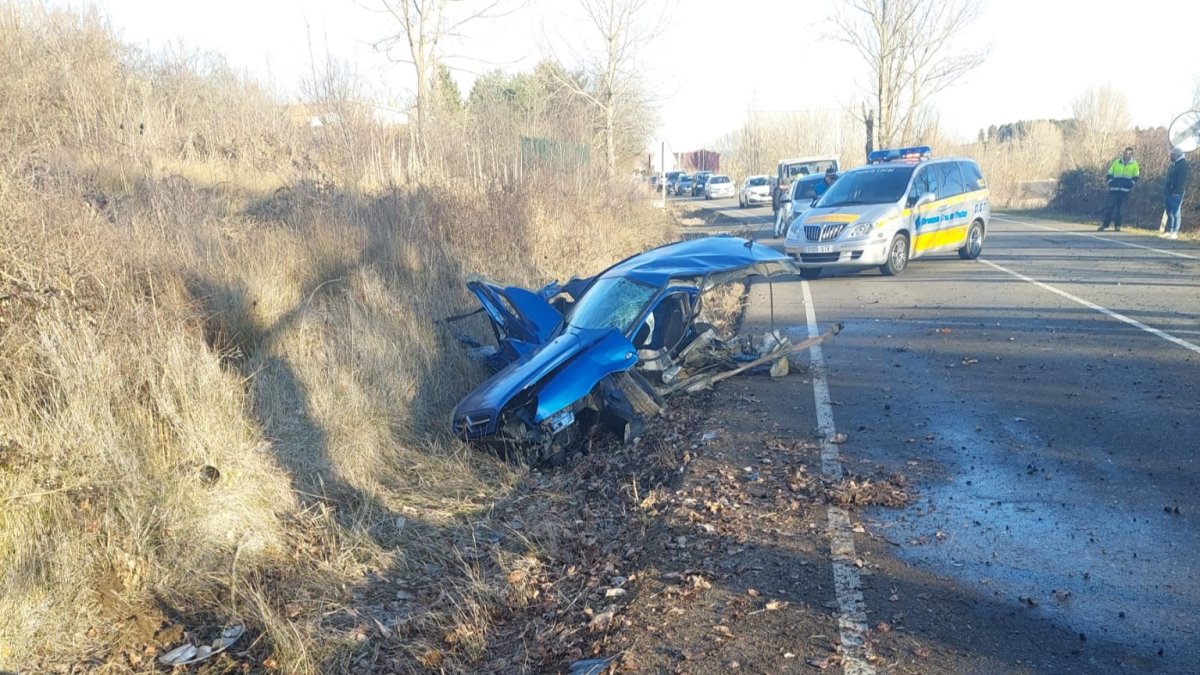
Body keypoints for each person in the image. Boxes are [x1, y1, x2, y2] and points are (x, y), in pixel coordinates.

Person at [1098, 146, 1140, 231]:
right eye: (1126, 153)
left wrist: (1130, 184)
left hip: (1125, 191)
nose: (1127, 155)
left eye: (1129, 154)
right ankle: (1105, 224)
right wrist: (1111, 182)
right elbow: (1110, 173)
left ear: (1132, 155)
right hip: (1114, 189)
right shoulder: (1116, 162)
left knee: (1120, 210)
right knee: (1109, 208)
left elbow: (1136, 176)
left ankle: (1117, 226)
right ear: (1123, 153)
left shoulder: (1134, 164)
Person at [1162, 146, 1189, 240]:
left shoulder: (1183, 164)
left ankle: (1175, 232)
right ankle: (1170, 230)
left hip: (1176, 192)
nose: (1170, 156)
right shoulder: (1173, 164)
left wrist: (1176, 191)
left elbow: (1181, 180)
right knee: (1169, 211)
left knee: (1176, 212)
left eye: (1172, 155)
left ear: (1177, 155)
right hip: (1168, 191)